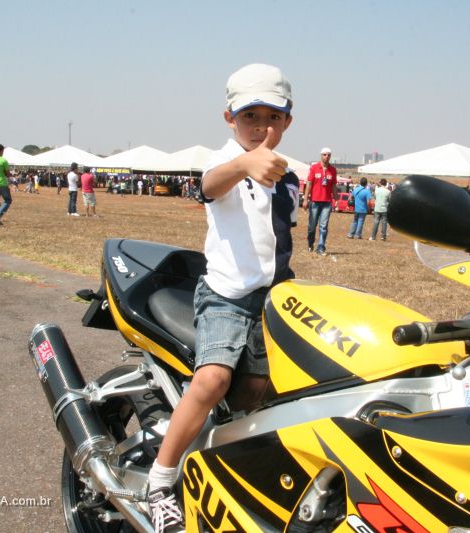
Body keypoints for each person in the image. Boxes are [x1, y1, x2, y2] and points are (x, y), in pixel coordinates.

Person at [146, 63, 298, 532]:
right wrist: (242, 165)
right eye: (249, 116)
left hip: (272, 298)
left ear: (288, 121)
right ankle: (160, 479)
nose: (261, 126)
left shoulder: (290, 175)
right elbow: (208, 186)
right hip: (226, 296)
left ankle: (227, 458)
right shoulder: (226, 163)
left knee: (260, 391)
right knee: (212, 381)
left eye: (272, 116)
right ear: (229, 118)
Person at [303, 147, 337, 255]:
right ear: (321, 155)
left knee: (323, 226)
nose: (326, 157)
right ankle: (310, 243)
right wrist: (305, 199)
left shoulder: (333, 170)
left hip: (327, 202)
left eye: (328, 155)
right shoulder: (314, 168)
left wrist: (336, 199)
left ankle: (321, 247)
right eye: (324, 155)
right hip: (314, 201)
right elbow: (309, 183)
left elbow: (334, 185)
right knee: (312, 226)